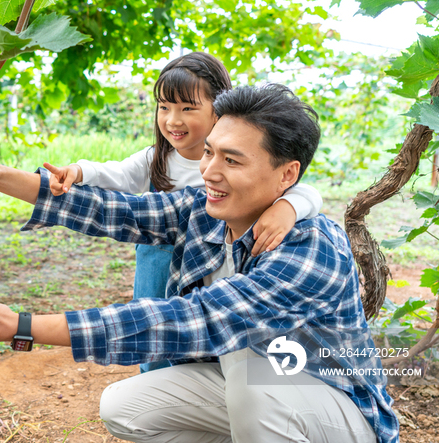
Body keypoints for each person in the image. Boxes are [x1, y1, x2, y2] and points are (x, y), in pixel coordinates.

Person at [0, 84, 398, 443]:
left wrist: (21, 326)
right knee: (125, 408)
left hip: (337, 409)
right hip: (258, 399)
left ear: (287, 174)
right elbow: (112, 210)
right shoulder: (203, 211)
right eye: (208, 154)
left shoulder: (313, 248)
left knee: (250, 369)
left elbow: (197, 320)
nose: (208, 171)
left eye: (232, 160)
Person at [45, 53, 322, 372]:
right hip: (159, 260)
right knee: (151, 332)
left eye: (187, 108)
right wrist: (78, 171)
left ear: (220, 109)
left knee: (205, 332)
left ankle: (202, 389)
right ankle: (158, 387)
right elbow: (118, 175)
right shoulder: (156, 158)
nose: (173, 120)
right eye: (164, 107)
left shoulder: (242, 160)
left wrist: (287, 208)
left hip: (208, 261)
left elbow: (304, 189)